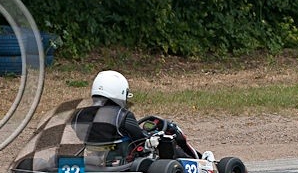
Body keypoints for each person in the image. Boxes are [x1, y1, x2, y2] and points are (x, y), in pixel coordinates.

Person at [72, 70, 209, 164]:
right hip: (123, 164)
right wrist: (154, 134)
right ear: (119, 92)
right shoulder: (123, 115)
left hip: (95, 160)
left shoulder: (78, 115)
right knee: (168, 143)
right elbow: (140, 139)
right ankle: (202, 163)